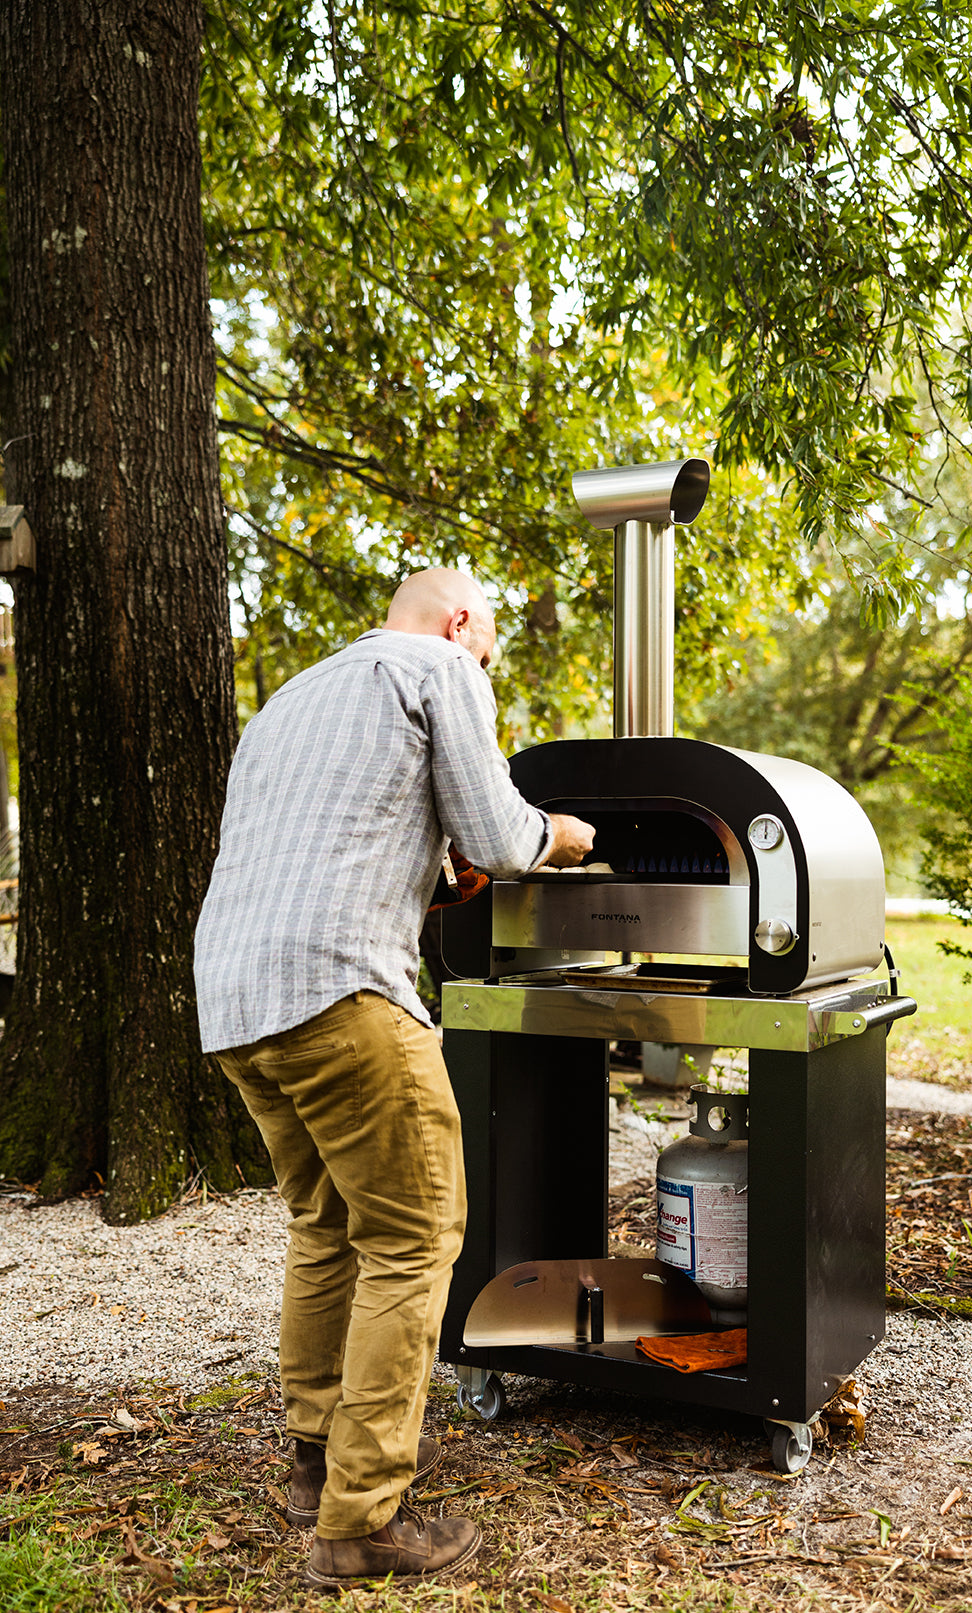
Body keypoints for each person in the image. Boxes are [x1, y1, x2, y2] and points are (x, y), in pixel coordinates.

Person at [194, 568, 594, 1588]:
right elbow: (502, 836)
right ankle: (360, 1519)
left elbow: (340, 842)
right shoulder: (436, 666)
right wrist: (562, 834)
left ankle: (310, 1458)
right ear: (462, 622)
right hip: (343, 988)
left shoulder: (292, 697)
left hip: (237, 998)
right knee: (414, 1237)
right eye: (488, 649)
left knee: (326, 1222)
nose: (484, 667)